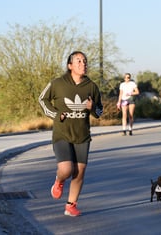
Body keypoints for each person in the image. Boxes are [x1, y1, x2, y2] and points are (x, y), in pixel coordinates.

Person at [38, 51, 103, 216]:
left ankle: (71, 205)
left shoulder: (91, 86)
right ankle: (59, 181)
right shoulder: (58, 83)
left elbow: (100, 111)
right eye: (79, 61)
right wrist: (55, 114)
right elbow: (42, 99)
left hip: (82, 136)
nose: (83, 64)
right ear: (70, 66)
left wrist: (92, 108)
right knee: (66, 169)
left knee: (79, 172)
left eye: (85, 61)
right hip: (62, 134)